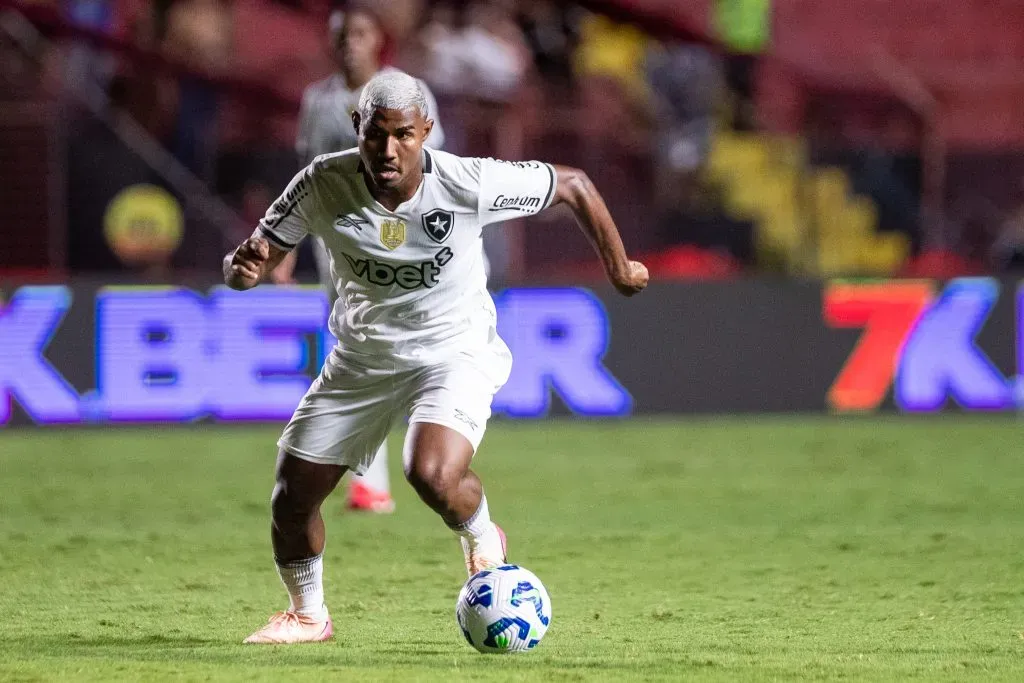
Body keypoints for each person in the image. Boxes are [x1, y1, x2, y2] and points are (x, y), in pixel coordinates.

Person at [224, 70, 648, 644]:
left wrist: (619, 269)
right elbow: (251, 259)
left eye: (403, 134)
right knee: (291, 495)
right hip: (364, 358)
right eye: (376, 135)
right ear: (357, 129)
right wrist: (241, 270)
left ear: (426, 131)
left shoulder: (468, 181)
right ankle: (307, 615)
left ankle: (480, 539)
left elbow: (573, 184)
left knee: (429, 472)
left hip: (453, 350)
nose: (389, 149)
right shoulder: (321, 182)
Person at [274, 6, 446, 514]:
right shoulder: (319, 100)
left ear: (379, 40)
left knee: (408, 352)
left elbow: (434, 171)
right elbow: (307, 181)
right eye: (341, 35)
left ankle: (430, 458)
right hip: (344, 248)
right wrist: (284, 246)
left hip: (407, 246)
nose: (349, 43)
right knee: (359, 349)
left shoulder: (406, 92)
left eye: (359, 33)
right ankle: (372, 480)